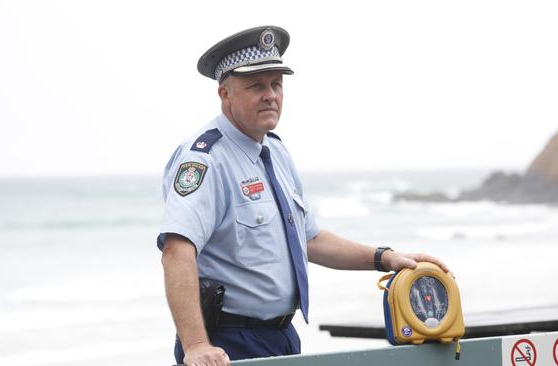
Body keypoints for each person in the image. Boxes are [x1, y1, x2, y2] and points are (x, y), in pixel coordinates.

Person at [158, 25, 450, 366]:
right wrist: (196, 346)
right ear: (225, 94)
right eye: (256, 86)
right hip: (227, 345)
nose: (271, 95)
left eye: (276, 84)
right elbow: (177, 251)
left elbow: (308, 239)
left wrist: (384, 258)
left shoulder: (276, 153)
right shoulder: (205, 159)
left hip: (282, 337)